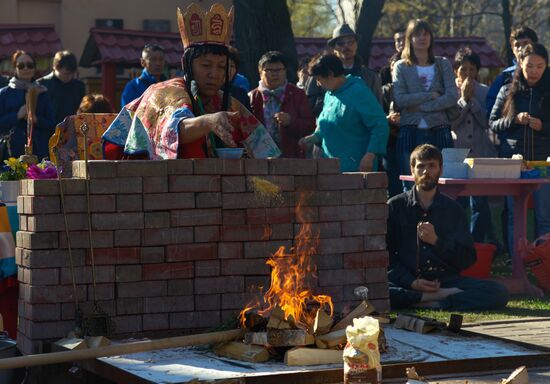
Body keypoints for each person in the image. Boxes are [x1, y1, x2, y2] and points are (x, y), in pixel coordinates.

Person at [103, 3, 275, 160]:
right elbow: (174, 129)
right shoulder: (166, 92)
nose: (214, 74)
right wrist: (208, 121)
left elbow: (264, 148)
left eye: (221, 66)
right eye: (206, 65)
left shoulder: (224, 100)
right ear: (187, 65)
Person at [387, 144, 509, 310]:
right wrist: (412, 282)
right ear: (412, 169)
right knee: (377, 292)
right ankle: (431, 297)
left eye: (431, 166)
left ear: (441, 169)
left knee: (498, 292)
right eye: (421, 166)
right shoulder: (395, 207)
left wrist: (437, 241)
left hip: (444, 280)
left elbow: (467, 258)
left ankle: (436, 301)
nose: (426, 172)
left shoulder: (453, 209)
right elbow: (386, 258)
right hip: (408, 279)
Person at [490, 43, 550, 240]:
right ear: (520, 65)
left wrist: (542, 126)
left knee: (544, 216)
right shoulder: (508, 89)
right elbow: (493, 123)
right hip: (513, 162)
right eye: (529, 66)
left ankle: (543, 263)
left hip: (543, 162)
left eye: (540, 66)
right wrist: (513, 120)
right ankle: (516, 261)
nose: (534, 71)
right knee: (515, 215)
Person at [392, 19, 457, 185]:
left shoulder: (442, 64)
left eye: (426, 33)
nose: (422, 37)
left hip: (440, 128)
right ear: (409, 39)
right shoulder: (401, 66)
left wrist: (421, 106)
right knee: (410, 182)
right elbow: (400, 99)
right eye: (417, 34)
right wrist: (430, 95)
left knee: (443, 181)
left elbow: (451, 96)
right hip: (410, 130)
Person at [299, 54, 388, 172]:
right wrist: (313, 138)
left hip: (356, 168)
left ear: (330, 74)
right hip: (331, 167)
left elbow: (380, 125)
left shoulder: (359, 92)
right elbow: (327, 126)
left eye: (319, 78)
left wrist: (370, 155)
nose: (317, 84)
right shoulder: (329, 95)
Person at [452, 48, 498, 244]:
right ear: (456, 71)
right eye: (464, 70)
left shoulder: (484, 91)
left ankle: (477, 243)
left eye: (472, 69)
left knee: (479, 202)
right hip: (457, 152)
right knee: (459, 202)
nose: (468, 74)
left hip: (480, 152)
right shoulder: (449, 91)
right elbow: (451, 122)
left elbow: (486, 121)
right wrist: (463, 99)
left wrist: (473, 101)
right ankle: (459, 242)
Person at [304, 24, 382, 117]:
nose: (346, 46)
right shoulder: (320, 72)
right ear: (333, 48)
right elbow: (309, 103)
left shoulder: (370, 76)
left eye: (351, 42)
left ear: (357, 45)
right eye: (341, 43)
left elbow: (377, 109)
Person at [249, 51, 315, 158]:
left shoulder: (297, 94)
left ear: (285, 71)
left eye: (279, 70)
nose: (275, 74)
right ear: (260, 72)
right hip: (259, 158)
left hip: (291, 157)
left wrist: (291, 121)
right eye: (269, 70)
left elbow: (311, 126)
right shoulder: (253, 96)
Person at [0, 50, 55, 160]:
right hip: (10, 152)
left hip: (38, 151)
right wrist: (16, 116)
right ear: (15, 68)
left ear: (34, 68)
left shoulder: (43, 93)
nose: (26, 68)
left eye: (29, 65)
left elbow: (52, 123)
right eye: (21, 65)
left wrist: (36, 119)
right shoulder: (4, 93)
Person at [486, 26, 538, 118]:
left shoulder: (545, 75)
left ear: (535, 46)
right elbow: (491, 112)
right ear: (512, 49)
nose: (521, 48)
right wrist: (513, 119)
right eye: (517, 45)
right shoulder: (504, 78)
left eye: (525, 43)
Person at [37, 50, 85, 125]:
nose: (69, 77)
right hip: (47, 130)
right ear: (55, 68)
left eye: (72, 74)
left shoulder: (79, 86)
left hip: (71, 129)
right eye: (66, 74)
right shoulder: (41, 85)